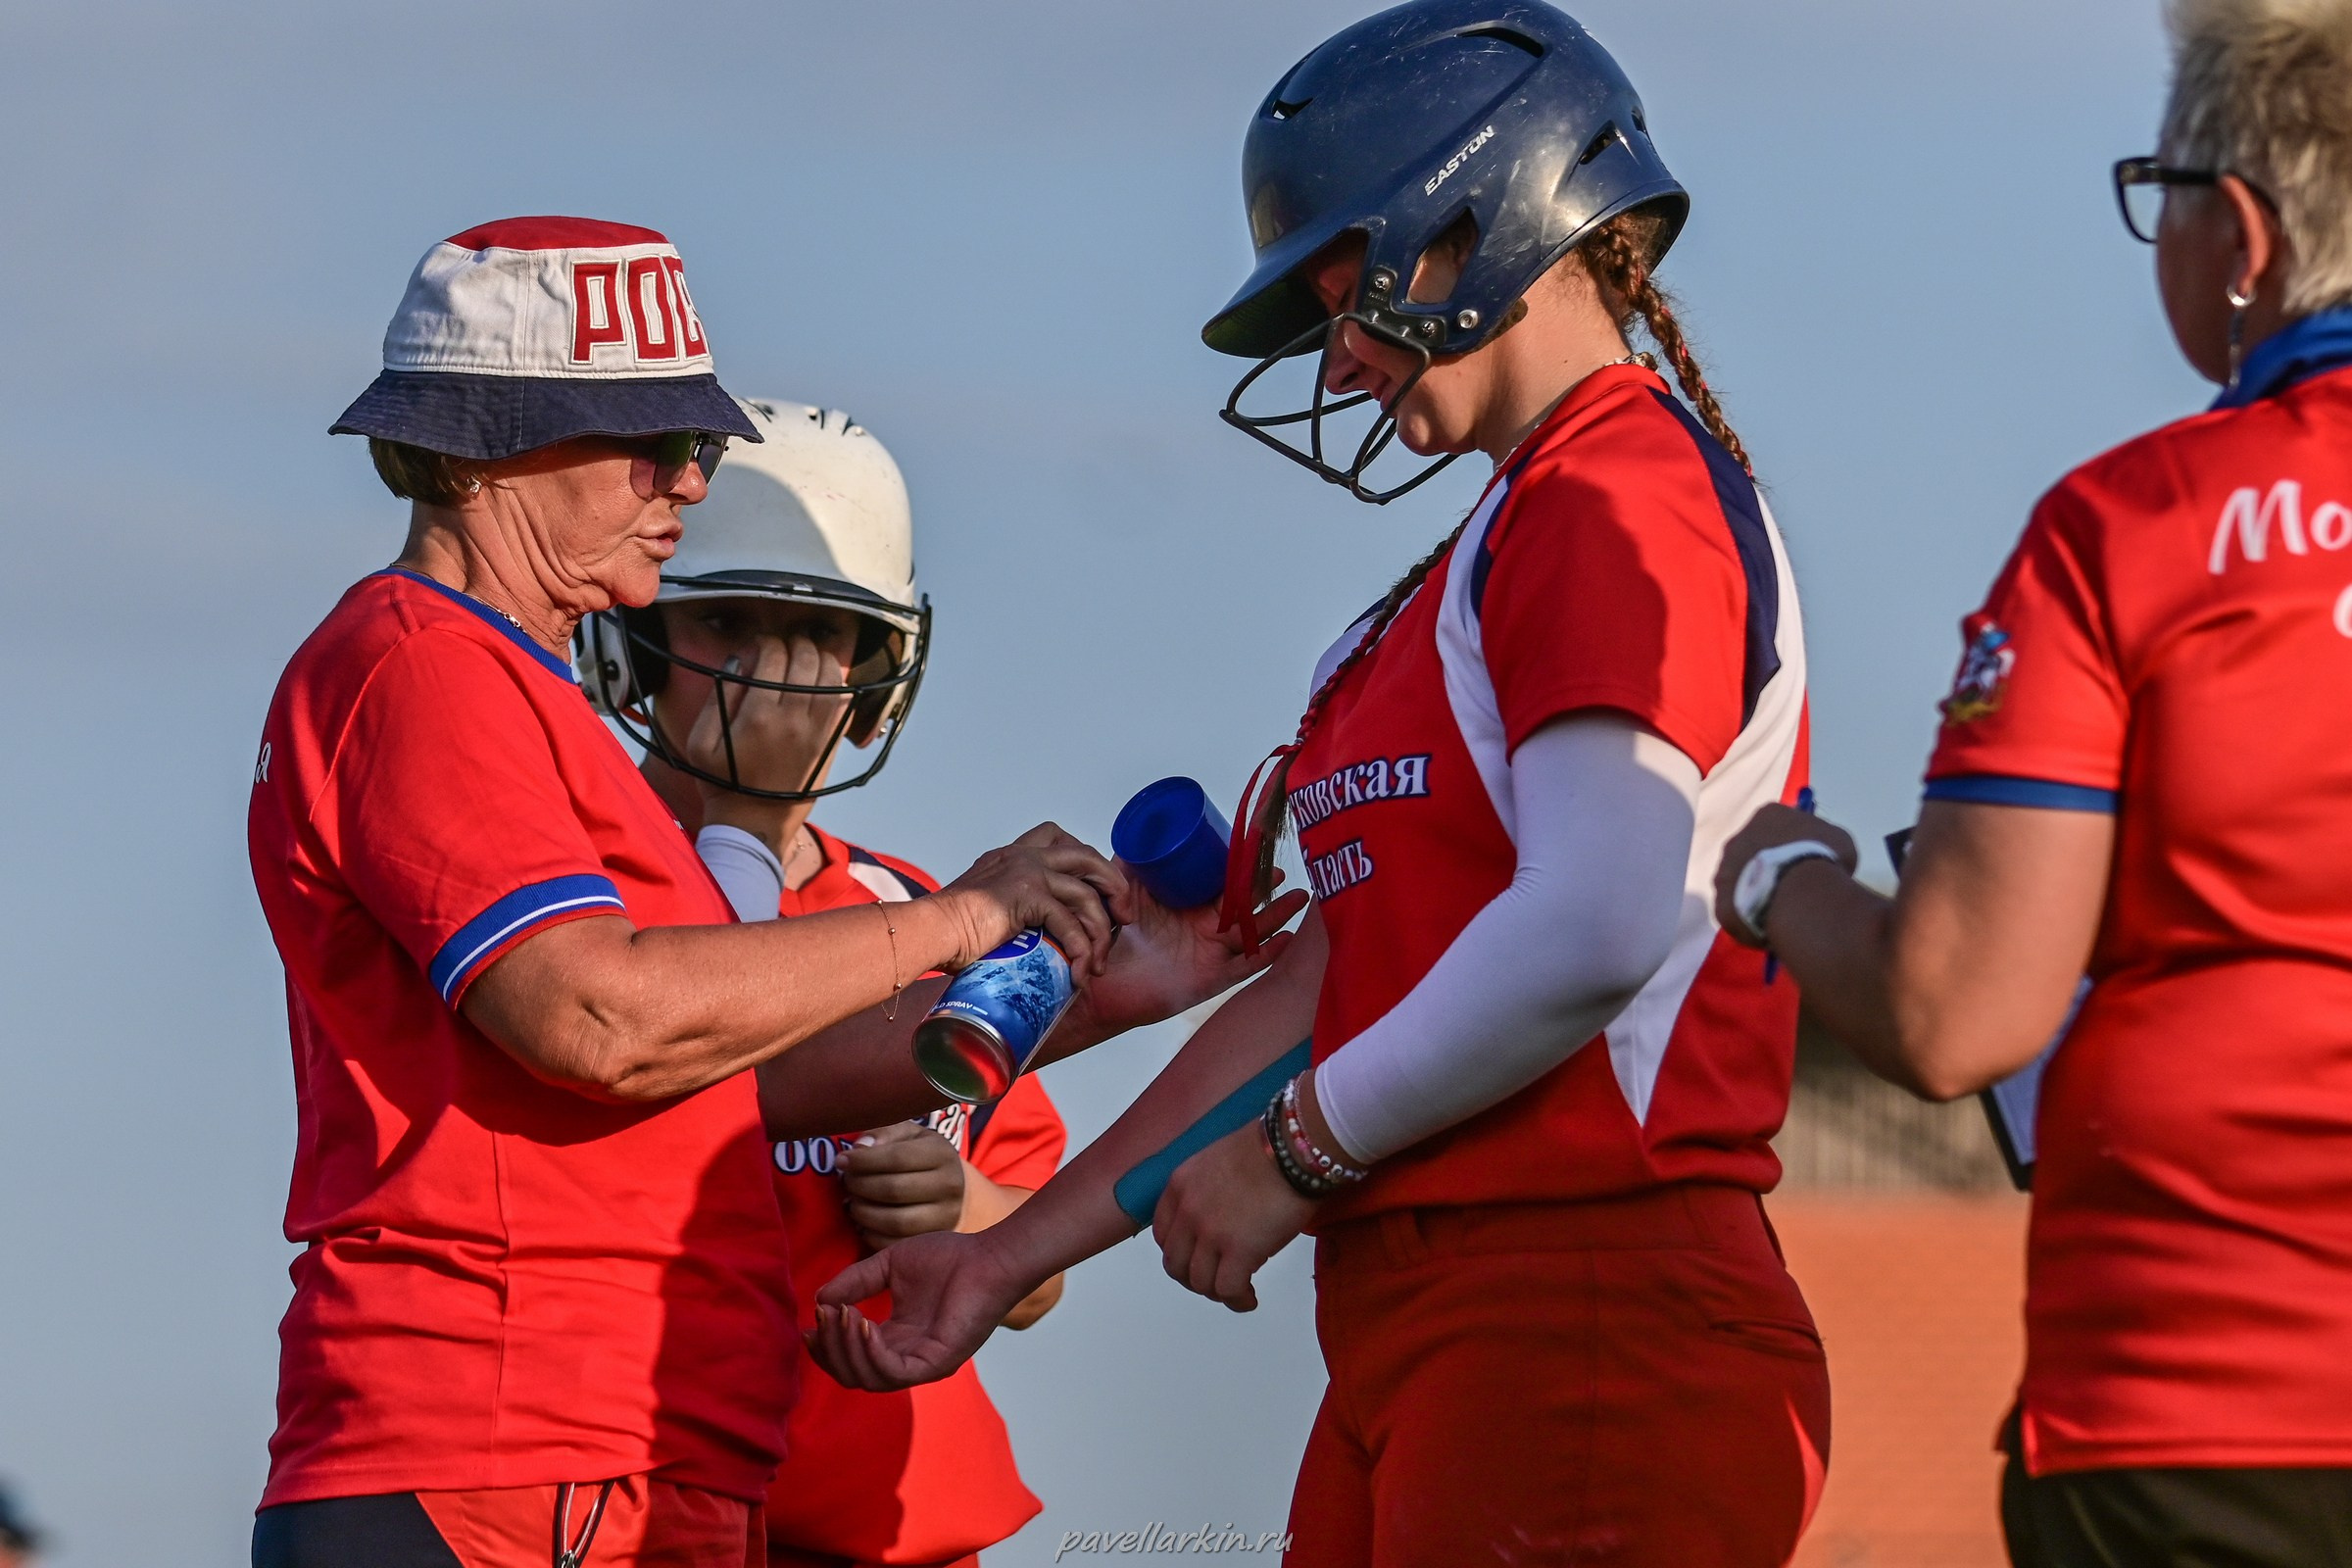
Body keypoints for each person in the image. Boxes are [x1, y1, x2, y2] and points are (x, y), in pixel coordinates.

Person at [810, 5, 1829, 1563]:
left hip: (1586, 1295)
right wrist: (1005, 1255)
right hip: (1433, 1309)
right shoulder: (1469, 560)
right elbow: (1331, 987)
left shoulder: (1613, 484)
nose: (1337, 355)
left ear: (1484, 220)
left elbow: (1601, 921)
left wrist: (1300, 1149)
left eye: (1347, 287)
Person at [247, 218, 1286, 1568]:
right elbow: (601, 1023)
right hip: (513, 1447)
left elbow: (738, 1081)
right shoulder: (425, 662)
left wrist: (1088, 995)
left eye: (692, 441)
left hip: (614, 1457)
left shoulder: (514, 693)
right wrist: (963, 916)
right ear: (468, 451)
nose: (688, 476)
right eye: (645, 442)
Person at [1714, 3, 2352, 1564]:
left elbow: (1954, 1017)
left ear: (2246, 232)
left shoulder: (2125, 529)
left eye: (2166, 194)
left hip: (2210, 1400)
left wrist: (1774, 877)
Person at [581, 396, 1071, 1567]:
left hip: (903, 1529)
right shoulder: (583, 899)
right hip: (659, 1519)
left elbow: (1035, 1271)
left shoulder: (919, 913)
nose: (782, 679)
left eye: (822, 637)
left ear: (878, 678)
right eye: (732, 626)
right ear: (644, 646)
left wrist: (962, 1209)